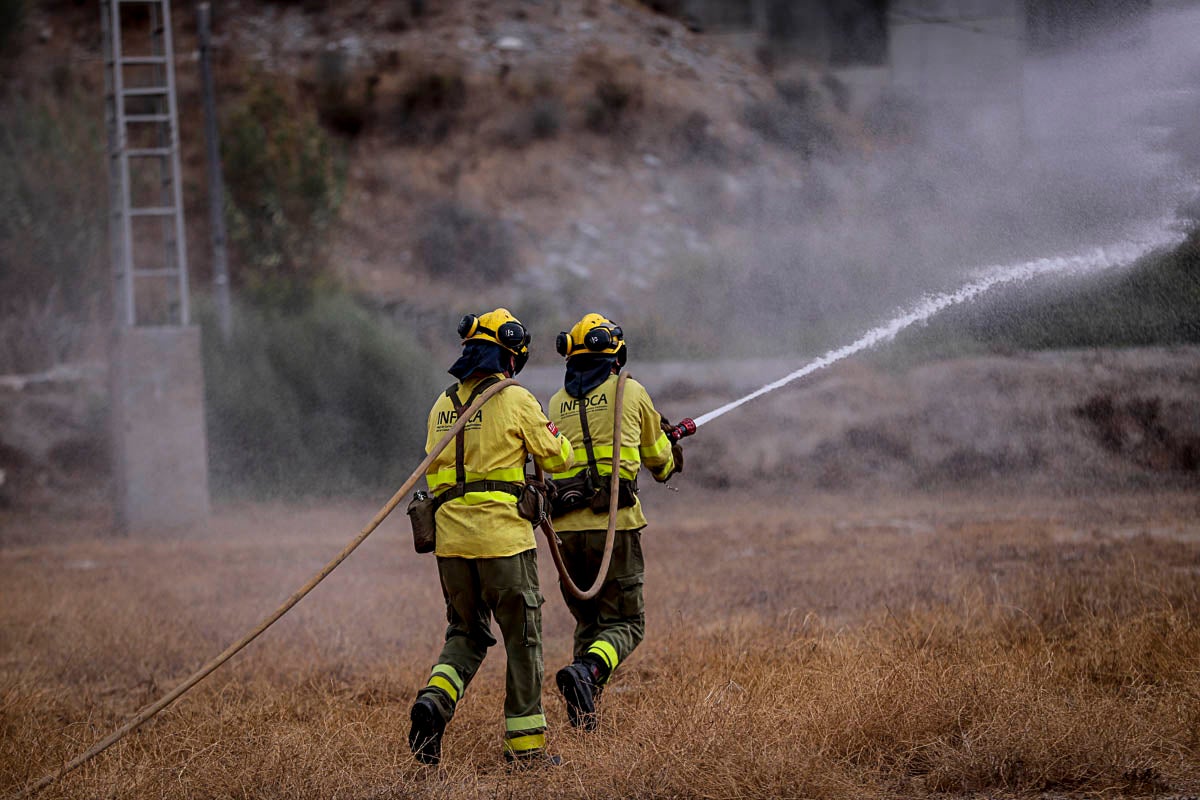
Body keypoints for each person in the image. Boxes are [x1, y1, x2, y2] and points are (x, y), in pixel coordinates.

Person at [408, 308, 574, 767]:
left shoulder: (442, 405)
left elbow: (435, 467)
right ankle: (526, 751)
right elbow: (557, 456)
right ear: (510, 356)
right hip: (503, 543)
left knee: (465, 632)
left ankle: (433, 704)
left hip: (451, 545)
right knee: (523, 640)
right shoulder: (515, 398)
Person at [545, 313, 682, 731]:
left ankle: (584, 711)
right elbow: (658, 460)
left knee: (589, 621)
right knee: (626, 623)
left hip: (566, 532)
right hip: (615, 527)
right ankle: (586, 674)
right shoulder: (630, 391)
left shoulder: (555, 402)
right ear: (614, 355)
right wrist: (671, 449)